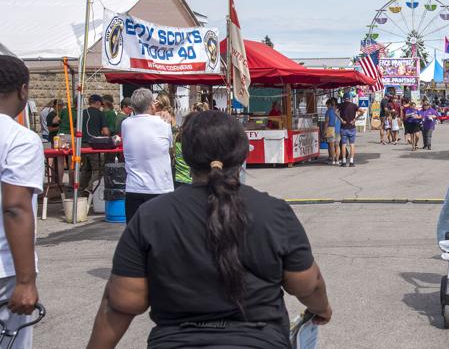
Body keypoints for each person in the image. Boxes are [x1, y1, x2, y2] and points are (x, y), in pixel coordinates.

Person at [87, 110, 332, 348]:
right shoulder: (274, 212)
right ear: (243, 154)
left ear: (185, 156)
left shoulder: (151, 216)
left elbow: (122, 301)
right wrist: (321, 309)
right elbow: (307, 284)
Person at [0, 56, 43, 349]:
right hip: (5, 269)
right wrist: (26, 281)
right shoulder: (20, 138)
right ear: (23, 90)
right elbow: (15, 206)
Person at [121, 88, 174, 222]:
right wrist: (164, 114)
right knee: (160, 236)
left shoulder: (126, 124)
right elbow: (169, 147)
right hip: (160, 188)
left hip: (134, 188)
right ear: (152, 105)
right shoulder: (164, 124)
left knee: (135, 236)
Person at [77, 94, 110, 197]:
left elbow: (75, 130)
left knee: (85, 169)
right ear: (97, 103)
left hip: (82, 144)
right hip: (94, 145)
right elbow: (105, 132)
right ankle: (90, 189)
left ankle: (80, 190)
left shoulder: (81, 113)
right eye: (101, 104)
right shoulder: (100, 114)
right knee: (98, 169)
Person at [336, 92, 363, 167]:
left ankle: (344, 161)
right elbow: (362, 111)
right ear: (350, 98)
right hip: (352, 127)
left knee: (343, 145)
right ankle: (351, 161)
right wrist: (355, 119)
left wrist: (341, 120)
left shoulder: (341, 105)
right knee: (352, 145)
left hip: (343, 127)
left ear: (344, 98)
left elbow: (335, 112)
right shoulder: (354, 105)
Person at [324, 98, 341, 165]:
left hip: (331, 129)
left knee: (331, 146)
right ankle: (337, 160)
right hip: (338, 129)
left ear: (330, 104)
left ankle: (333, 160)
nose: (327, 107)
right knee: (337, 145)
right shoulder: (338, 111)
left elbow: (327, 122)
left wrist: (324, 130)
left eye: (327, 105)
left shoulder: (329, 111)